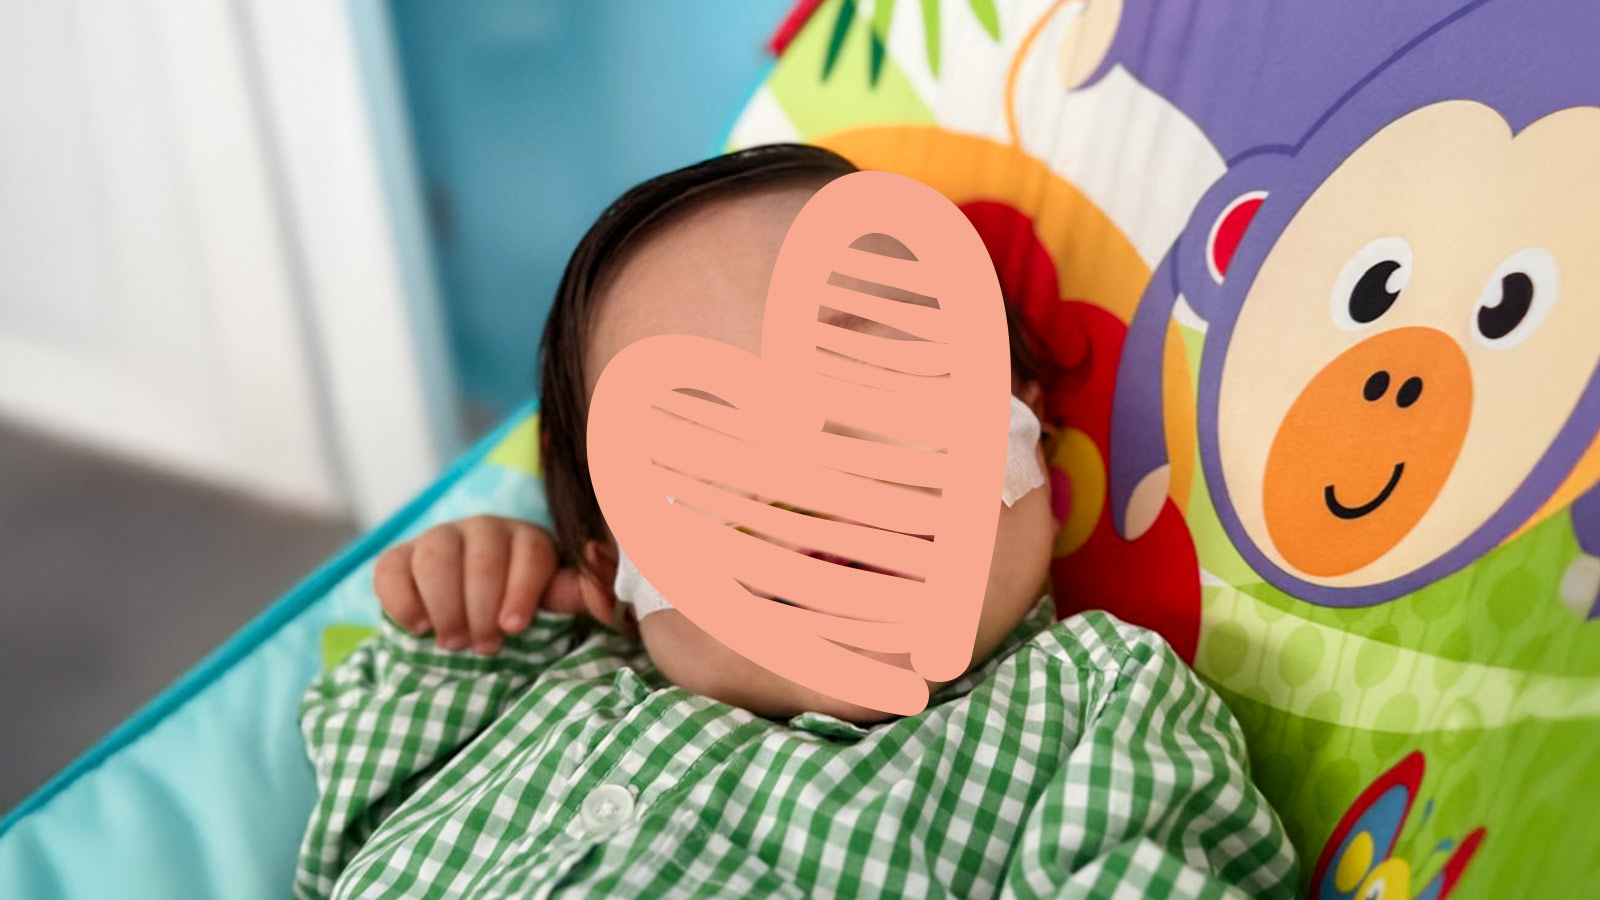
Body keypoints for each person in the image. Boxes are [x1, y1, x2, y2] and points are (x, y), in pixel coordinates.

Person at [294, 144, 1297, 899]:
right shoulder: (544, 672)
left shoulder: (1091, 706)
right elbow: (355, 794)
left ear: (1029, 433)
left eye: (878, 374)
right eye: (702, 447)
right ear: (612, 577)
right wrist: (466, 605)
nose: (814, 475)